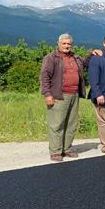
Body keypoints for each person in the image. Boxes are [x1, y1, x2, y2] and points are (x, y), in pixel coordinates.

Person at [39, 33, 88, 162]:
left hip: (74, 94)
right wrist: (47, 94)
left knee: (71, 124)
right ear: (58, 44)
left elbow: (86, 64)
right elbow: (44, 77)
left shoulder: (76, 57)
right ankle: (55, 151)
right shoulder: (51, 58)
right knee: (57, 124)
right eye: (64, 43)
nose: (67, 46)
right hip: (59, 95)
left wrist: (93, 54)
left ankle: (66, 149)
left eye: (69, 44)